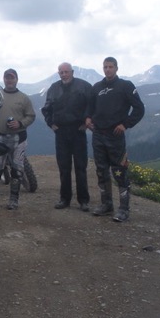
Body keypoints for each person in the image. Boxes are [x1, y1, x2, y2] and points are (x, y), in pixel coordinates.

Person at [85, 56, 145, 222]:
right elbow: (90, 107)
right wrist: (88, 118)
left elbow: (139, 109)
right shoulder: (96, 87)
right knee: (101, 171)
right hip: (98, 134)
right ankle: (106, 205)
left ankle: (124, 209)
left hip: (116, 136)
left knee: (120, 172)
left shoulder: (125, 86)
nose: (107, 70)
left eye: (110, 67)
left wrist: (126, 124)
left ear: (116, 68)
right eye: (105, 67)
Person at [40, 62, 92, 211]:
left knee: (80, 167)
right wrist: (51, 123)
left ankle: (83, 200)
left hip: (78, 131)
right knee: (64, 167)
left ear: (72, 72)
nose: (64, 74)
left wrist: (86, 121)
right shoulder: (54, 88)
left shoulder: (84, 86)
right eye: (61, 72)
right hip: (61, 132)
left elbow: (91, 105)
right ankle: (65, 199)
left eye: (66, 72)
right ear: (58, 74)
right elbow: (46, 109)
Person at [0, 68, 36, 210]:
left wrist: (20, 123)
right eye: (7, 78)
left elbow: (31, 116)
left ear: (16, 79)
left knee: (17, 169)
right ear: (3, 79)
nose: (9, 80)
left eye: (12, 78)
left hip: (18, 138)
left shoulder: (23, 98)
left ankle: (13, 200)